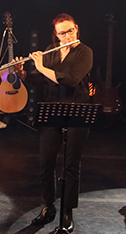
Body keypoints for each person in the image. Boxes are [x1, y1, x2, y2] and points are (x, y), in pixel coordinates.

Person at [13, 13, 93, 233]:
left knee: (70, 166)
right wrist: (22, 73)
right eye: (61, 33)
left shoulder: (84, 52)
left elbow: (71, 79)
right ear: (55, 35)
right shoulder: (51, 50)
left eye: (69, 31)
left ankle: (67, 212)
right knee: (45, 163)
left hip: (78, 111)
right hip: (51, 112)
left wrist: (40, 67)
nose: (66, 36)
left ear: (76, 28)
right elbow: (36, 80)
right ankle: (49, 206)